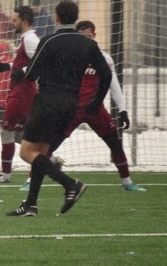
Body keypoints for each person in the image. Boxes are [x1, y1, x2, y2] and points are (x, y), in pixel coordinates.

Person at [6, 1, 112, 217]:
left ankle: (70, 184)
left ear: (56, 17)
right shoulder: (87, 44)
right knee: (42, 153)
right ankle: (31, 205)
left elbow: (32, 73)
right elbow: (106, 74)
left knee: (27, 152)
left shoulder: (49, 41)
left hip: (48, 102)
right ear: (75, 17)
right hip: (70, 104)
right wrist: (95, 102)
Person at [18, 20, 143, 191]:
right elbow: (41, 65)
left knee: (115, 143)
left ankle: (127, 182)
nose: (86, 39)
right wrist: (16, 69)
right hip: (73, 109)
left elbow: (113, 83)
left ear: (94, 36)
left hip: (95, 109)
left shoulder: (103, 57)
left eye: (89, 36)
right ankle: (30, 180)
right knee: (47, 146)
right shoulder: (74, 55)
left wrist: (122, 109)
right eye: (83, 36)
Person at [0, 6, 40, 183]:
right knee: (20, 133)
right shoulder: (25, 38)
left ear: (24, 21)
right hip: (19, 90)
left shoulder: (31, 39)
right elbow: (27, 62)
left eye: (15, 20)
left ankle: (7, 174)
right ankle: (49, 159)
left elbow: (41, 62)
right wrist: (9, 67)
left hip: (23, 92)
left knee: (7, 130)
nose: (12, 22)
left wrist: (22, 71)